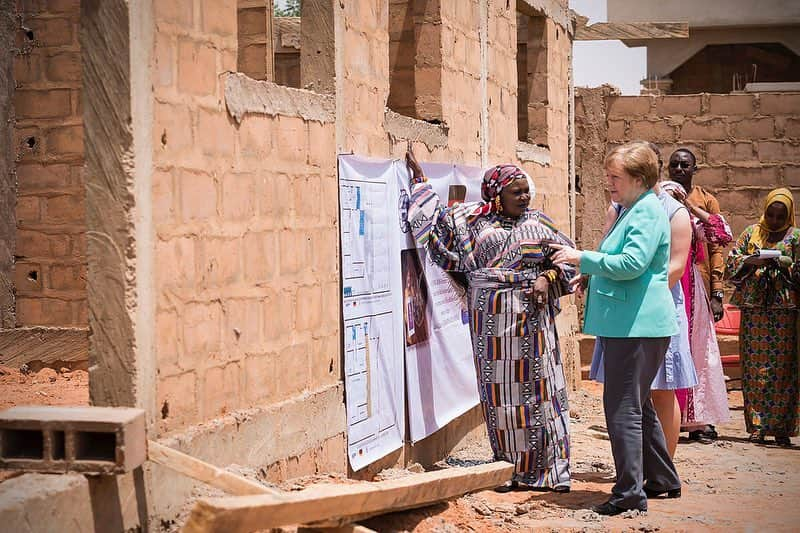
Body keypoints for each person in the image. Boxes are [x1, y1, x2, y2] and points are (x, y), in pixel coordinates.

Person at [406, 149, 575, 493]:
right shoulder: (470, 222)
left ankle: (551, 473)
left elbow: (570, 258)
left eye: (526, 190)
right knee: (501, 395)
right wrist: (421, 182)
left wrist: (549, 275)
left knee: (543, 391)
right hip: (492, 326)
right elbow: (434, 227)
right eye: (516, 192)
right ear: (496, 195)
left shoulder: (539, 222)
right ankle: (511, 468)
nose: (524, 197)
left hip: (534, 319)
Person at [552, 141, 681, 516]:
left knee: (621, 408)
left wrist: (583, 258)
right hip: (634, 323)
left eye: (615, 178)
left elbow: (632, 263)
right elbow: (622, 264)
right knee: (637, 405)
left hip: (636, 326)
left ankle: (628, 494)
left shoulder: (643, 213)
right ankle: (661, 479)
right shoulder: (634, 209)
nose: (609, 183)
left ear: (639, 180)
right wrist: (590, 275)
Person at [589, 144, 697, 459]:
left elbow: (675, 266)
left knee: (662, 390)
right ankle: (651, 471)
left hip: (654, 308)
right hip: (624, 312)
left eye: (616, 176)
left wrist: (641, 292)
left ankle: (664, 464)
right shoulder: (620, 209)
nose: (610, 183)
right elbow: (609, 252)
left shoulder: (673, 211)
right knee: (637, 395)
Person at [726, 188, 799, 447]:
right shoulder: (751, 234)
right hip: (754, 310)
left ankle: (781, 428)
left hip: (784, 312)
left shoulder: (796, 238)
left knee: (783, 371)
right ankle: (757, 426)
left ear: (789, 215)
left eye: (781, 216)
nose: (775, 221)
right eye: (771, 215)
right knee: (755, 369)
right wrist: (750, 262)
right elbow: (731, 266)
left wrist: (788, 264)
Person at [667, 148, 730, 442]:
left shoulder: (699, 205)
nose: (679, 169)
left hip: (692, 287)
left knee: (695, 349)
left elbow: (721, 236)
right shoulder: (657, 203)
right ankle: (667, 416)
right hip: (661, 284)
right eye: (674, 165)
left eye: (684, 165)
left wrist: (717, 291)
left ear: (694, 169)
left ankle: (695, 418)